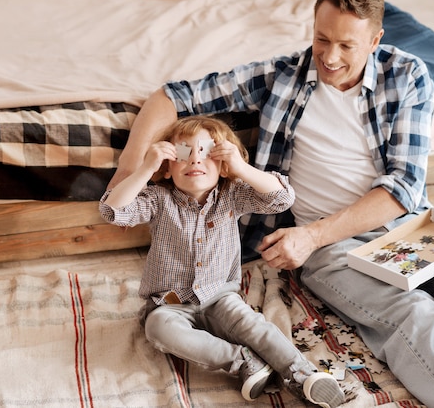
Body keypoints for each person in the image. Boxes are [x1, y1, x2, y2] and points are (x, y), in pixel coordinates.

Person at [108, 0, 434, 407]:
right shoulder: (285, 75)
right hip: (332, 252)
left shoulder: (407, 77)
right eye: (321, 39)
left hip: (400, 231)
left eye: (346, 45)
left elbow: (404, 188)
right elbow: (174, 96)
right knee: (411, 313)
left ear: (375, 40)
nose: (329, 57)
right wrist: (132, 174)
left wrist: (310, 235)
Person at [99, 115, 344, 407]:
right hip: (169, 303)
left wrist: (240, 167)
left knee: (254, 326)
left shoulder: (233, 195)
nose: (195, 161)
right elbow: (111, 211)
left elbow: (282, 198)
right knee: (158, 329)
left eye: (207, 152)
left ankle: (303, 375)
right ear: (167, 168)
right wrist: (145, 167)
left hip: (220, 296)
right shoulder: (157, 199)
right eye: (184, 153)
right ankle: (243, 361)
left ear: (223, 165)